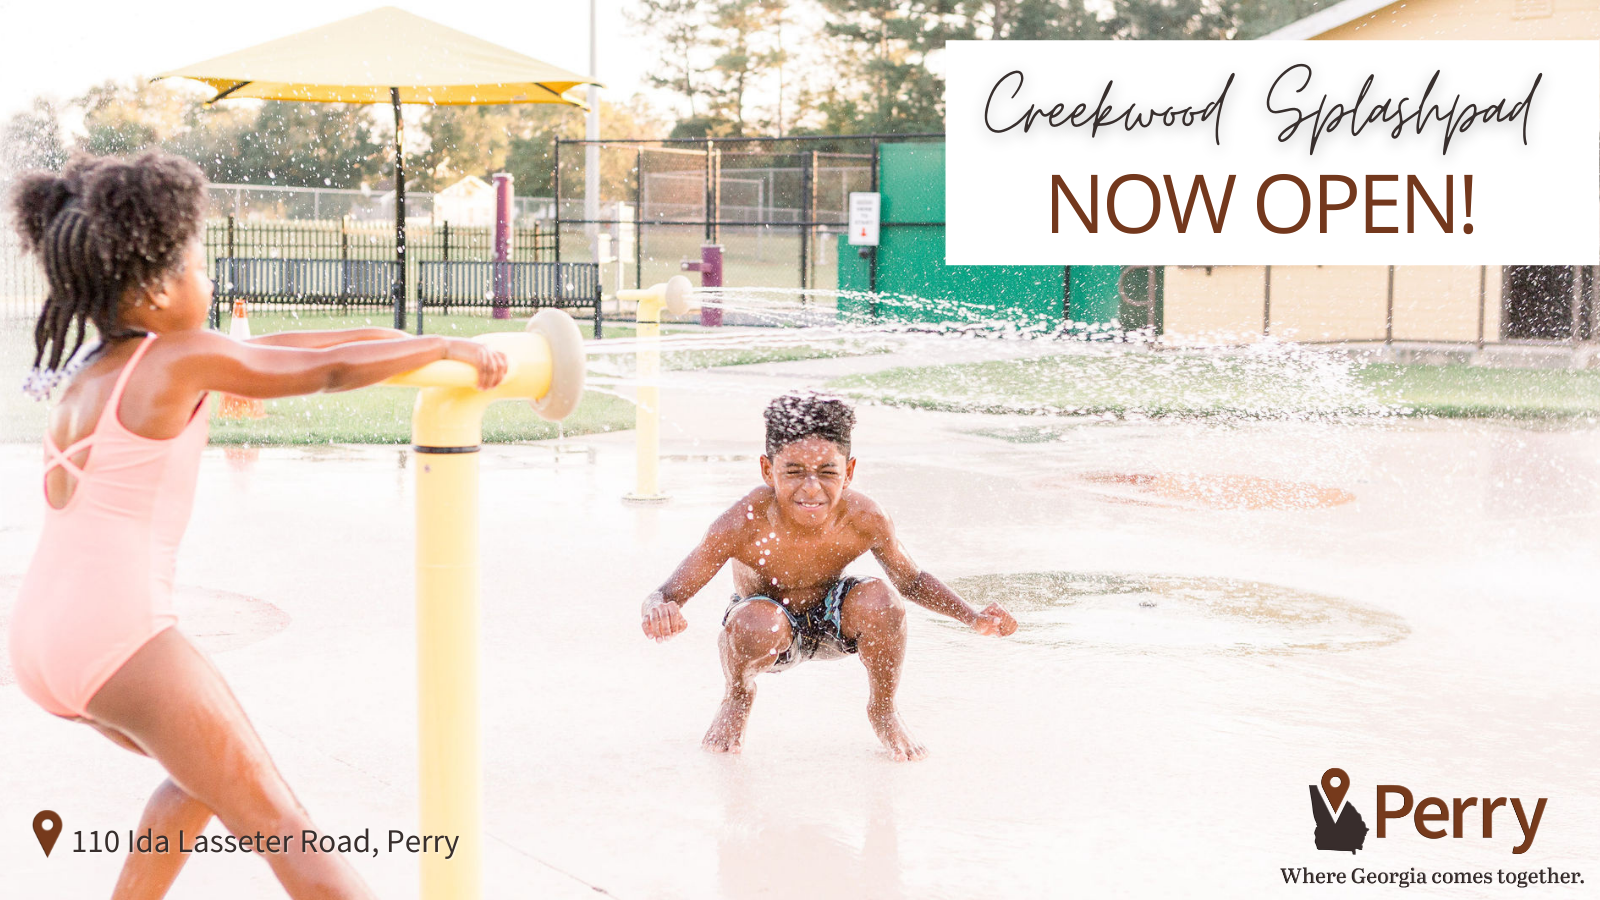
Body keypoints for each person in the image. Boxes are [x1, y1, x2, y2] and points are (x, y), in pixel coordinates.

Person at [7, 150, 507, 900]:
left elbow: (283, 350)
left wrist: (386, 336)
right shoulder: (179, 358)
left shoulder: (97, 368)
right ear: (152, 287)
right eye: (200, 266)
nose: (209, 283)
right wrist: (441, 348)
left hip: (42, 640)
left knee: (202, 780)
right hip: (121, 638)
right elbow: (327, 371)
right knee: (285, 823)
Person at [640, 391, 1018, 761]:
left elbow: (912, 580)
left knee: (882, 598)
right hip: (770, 623)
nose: (811, 488)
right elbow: (667, 592)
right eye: (793, 472)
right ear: (767, 470)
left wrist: (972, 615)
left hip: (832, 617)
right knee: (757, 622)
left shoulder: (864, 517)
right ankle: (737, 698)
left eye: (827, 472)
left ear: (849, 472)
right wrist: (660, 610)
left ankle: (883, 710)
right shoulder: (743, 523)